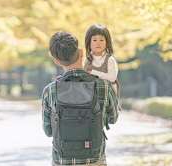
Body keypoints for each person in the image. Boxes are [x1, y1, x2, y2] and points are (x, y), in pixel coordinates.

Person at [42, 30, 119, 166]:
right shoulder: (104, 86)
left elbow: (48, 131)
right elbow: (113, 119)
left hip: (62, 161)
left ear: (57, 62)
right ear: (82, 53)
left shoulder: (50, 90)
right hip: (95, 160)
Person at [83, 24, 121, 109]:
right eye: (95, 40)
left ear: (107, 42)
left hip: (106, 98)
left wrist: (93, 73)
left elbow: (112, 77)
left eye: (101, 40)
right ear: (89, 43)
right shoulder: (87, 59)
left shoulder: (110, 59)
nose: (98, 43)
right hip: (88, 97)